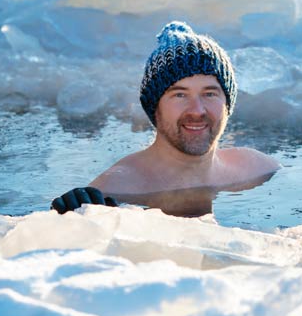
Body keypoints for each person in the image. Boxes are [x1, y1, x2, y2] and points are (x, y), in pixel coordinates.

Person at [51, 21, 280, 216]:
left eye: (209, 94)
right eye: (179, 94)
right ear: (155, 108)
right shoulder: (117, 189)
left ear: (227, 103)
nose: (197, 110)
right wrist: (70, 221)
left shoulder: (257, 168)